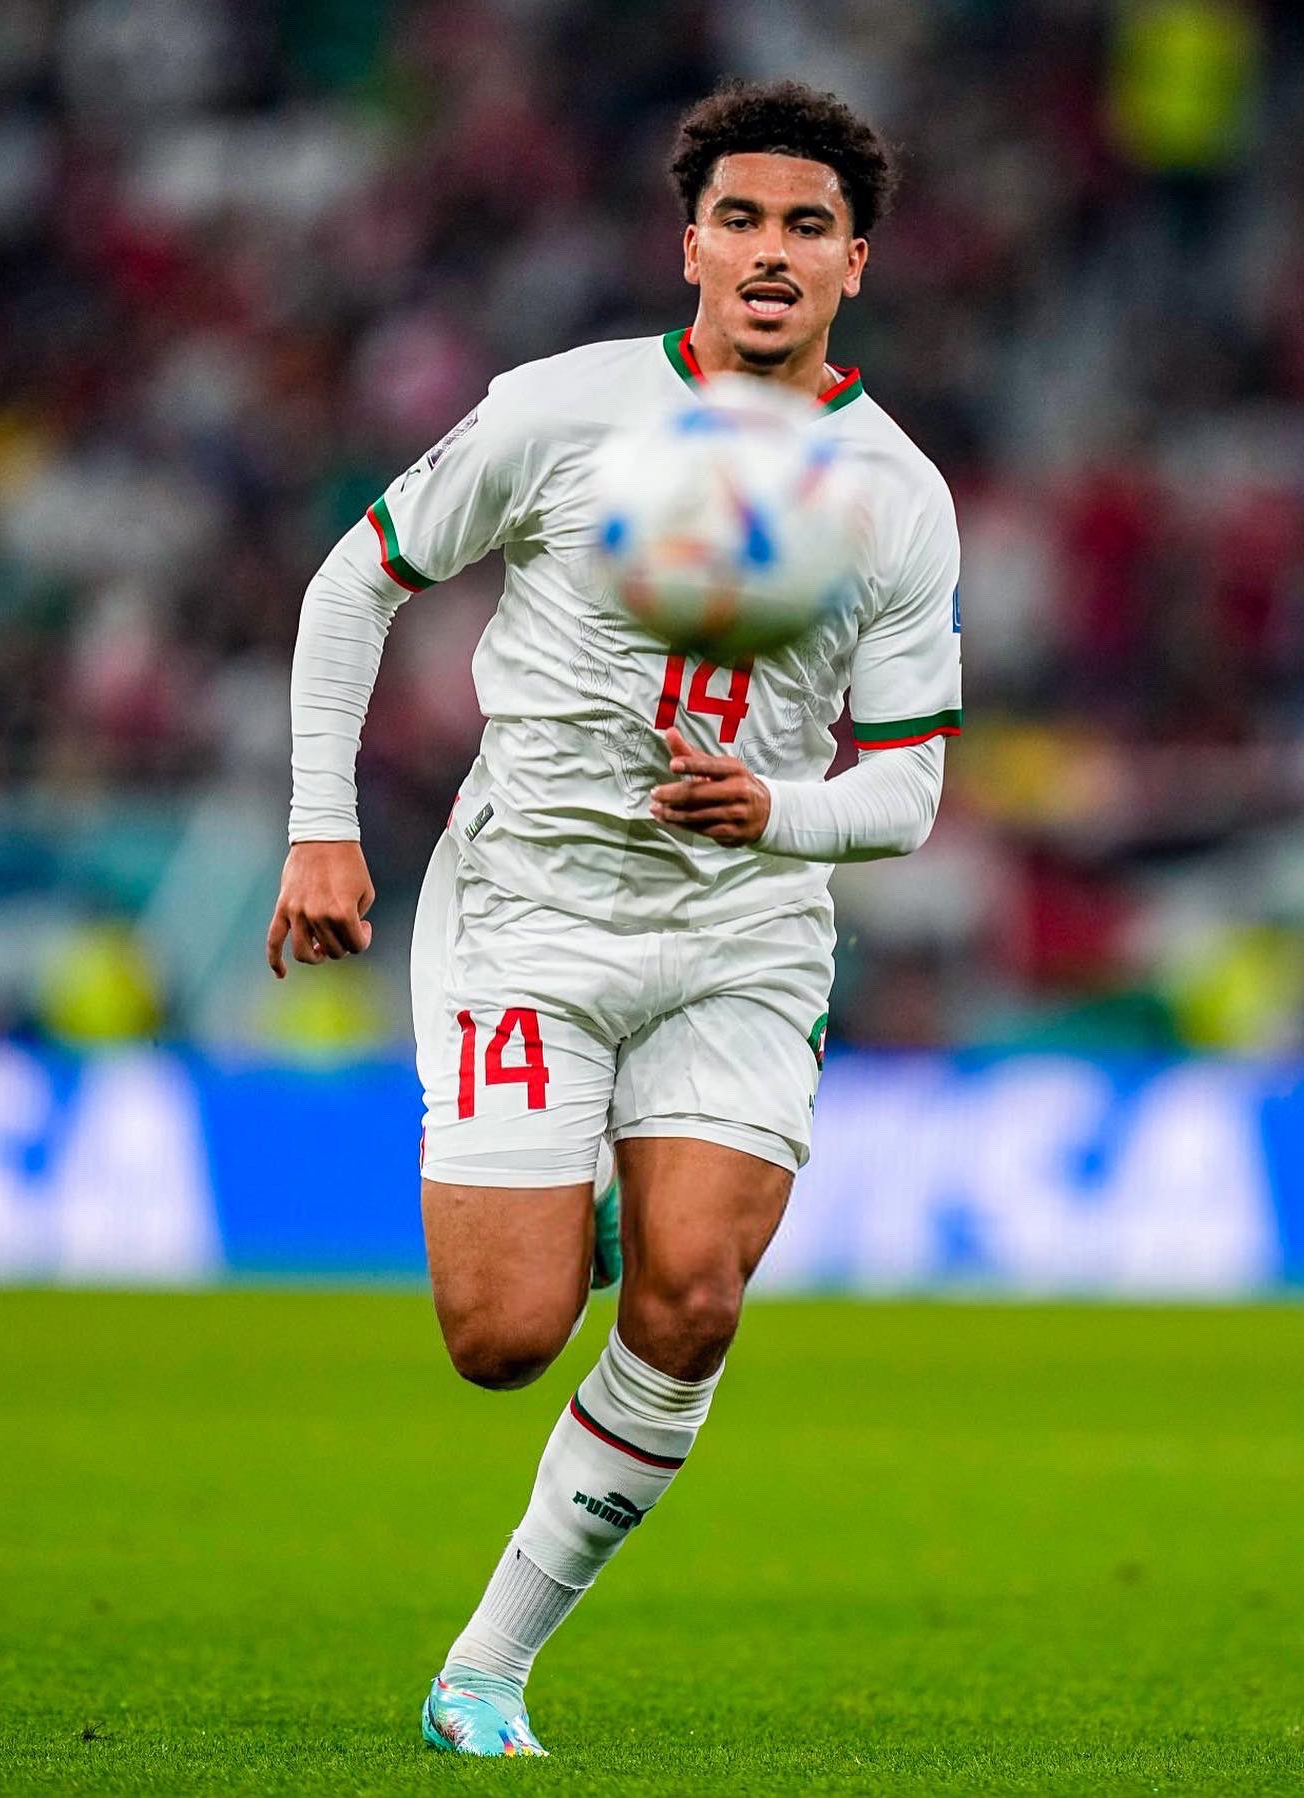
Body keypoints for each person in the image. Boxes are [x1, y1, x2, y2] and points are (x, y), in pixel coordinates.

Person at [266, 78, 962, 1758]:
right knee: (502, 1338)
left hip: (744, 931)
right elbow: (358, 578)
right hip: (535, 909)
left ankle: (485, 1668)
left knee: (694, 1297)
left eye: (808, 226)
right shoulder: (562, 409)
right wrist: (319, 826)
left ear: (855, 264)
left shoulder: (894, 492)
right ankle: (567, 1196)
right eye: (742, 219)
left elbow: (907, 789)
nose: (772, 252)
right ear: (690, 245)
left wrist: (776, 811)